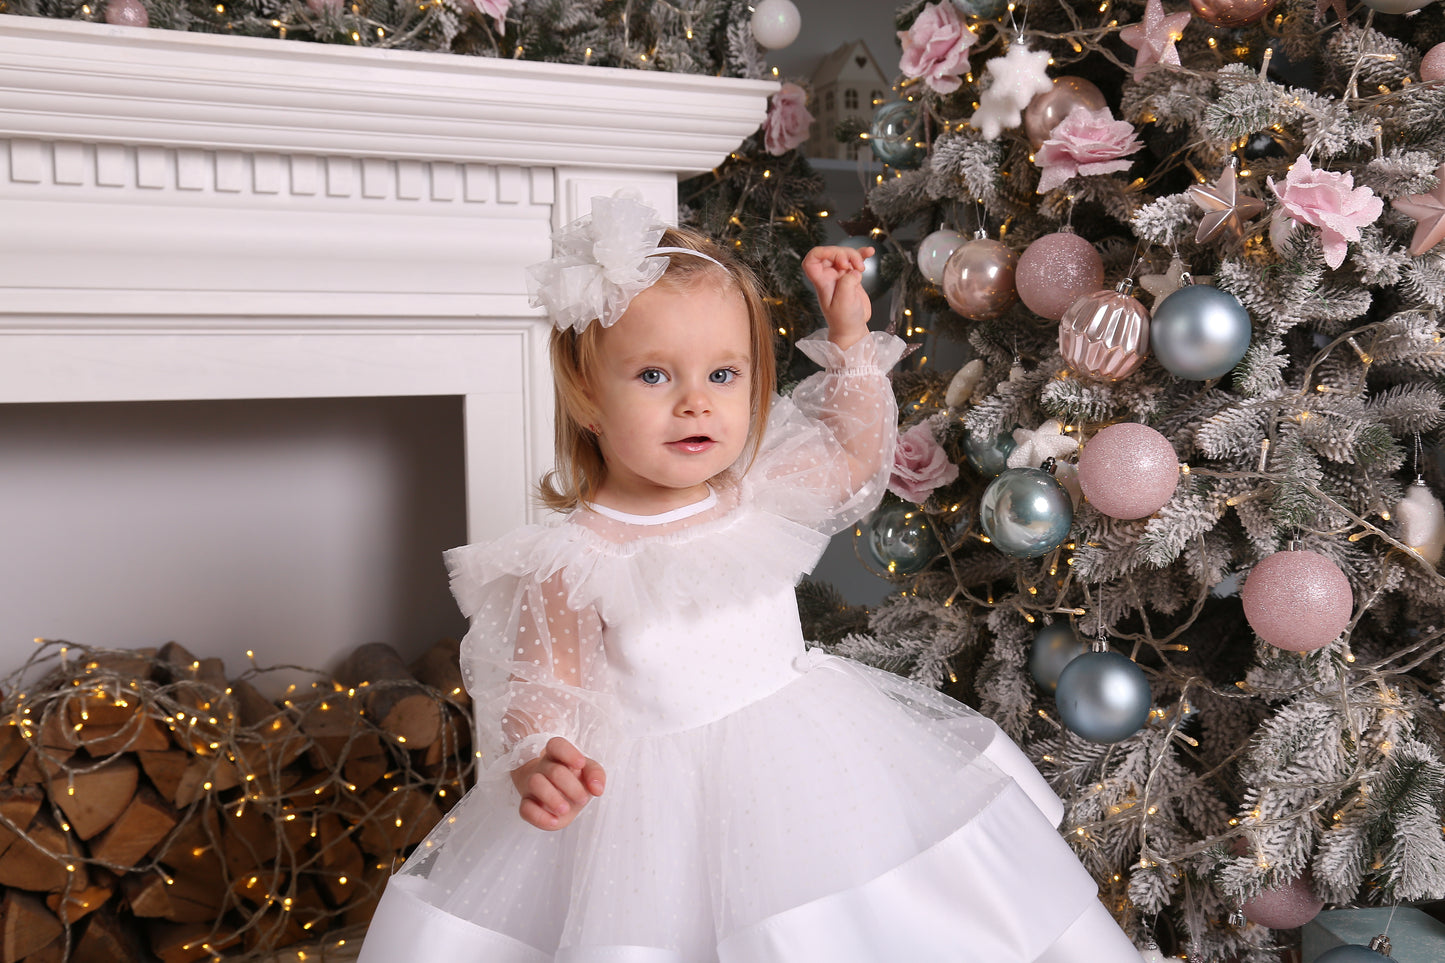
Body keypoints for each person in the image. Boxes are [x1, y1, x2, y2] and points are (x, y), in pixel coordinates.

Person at [357, 194, 1140, 962]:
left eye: (724, 374)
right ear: (587, 394)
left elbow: (853, 456)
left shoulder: (753, 491)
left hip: (809, 774)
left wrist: (848, 335)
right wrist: (541, 755)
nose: (696, 402)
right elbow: (543, 688)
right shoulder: (572, 559)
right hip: (652, 823)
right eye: (654, 375)